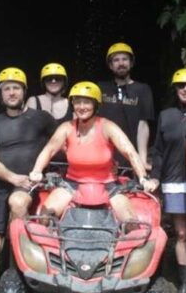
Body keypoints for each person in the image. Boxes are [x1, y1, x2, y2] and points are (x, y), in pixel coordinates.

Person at [28, 81, 159, 224]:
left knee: (132, 224)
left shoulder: (107, 126)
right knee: (44, 218)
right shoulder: (67, 127)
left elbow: (130, 152)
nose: (81, 107)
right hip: (72, 184)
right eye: (77, 102)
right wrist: (37, 170)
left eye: (87, 103)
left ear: (96, 105)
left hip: (108, 185)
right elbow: (49, 149)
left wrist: (143, 178)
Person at [0, 67, 55, 293]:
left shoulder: (42, 119)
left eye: (16, 88)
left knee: (18, 203)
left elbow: (62, 143)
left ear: (24, 91)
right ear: (0, 94)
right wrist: (13, 178)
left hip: (31, 186)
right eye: (6, 89)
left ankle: (17, 284)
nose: (11, 93)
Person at [149, 69, 186, 293]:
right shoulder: (166, 115)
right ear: (175, 89)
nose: (185, 89)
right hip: (173, 183)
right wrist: (155, 176)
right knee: (181, 234)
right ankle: (183, 286)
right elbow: (159, 151)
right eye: (181, 85)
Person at [97, 43, 155, 169]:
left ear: (131, 63)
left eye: (124, 59)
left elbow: (143, 125)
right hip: (102, 156)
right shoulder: (100, 88)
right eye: (116, 60)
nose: (121, 63)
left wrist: (142, 160)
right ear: (111, 66)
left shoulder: (143, 89)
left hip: (131, 157)